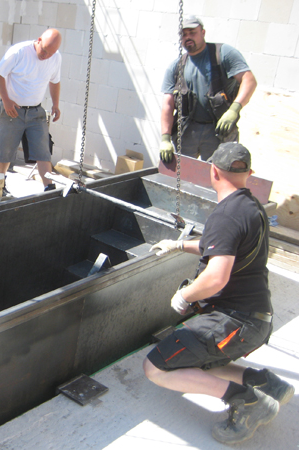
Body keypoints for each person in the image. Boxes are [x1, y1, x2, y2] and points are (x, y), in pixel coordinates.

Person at [144, 142, 294, 444]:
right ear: (248, 173)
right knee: (201, 358)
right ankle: (266, 383)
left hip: (235, 322)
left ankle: (247, 401)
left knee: (156, 367)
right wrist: (177, 244)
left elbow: (216, 277)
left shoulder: (227, 215)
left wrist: (185, 296)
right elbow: (219, 246)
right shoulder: (250, 206)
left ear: (214, 171)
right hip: (256, 319)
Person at [159, 15, 257, 163]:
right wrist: (165, 139)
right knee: (180, 175)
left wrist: (234, 110)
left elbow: (249, 80)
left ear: (203, 33)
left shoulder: (223, 53)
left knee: (217, 175)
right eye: (184, 34)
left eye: (192, 32)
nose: (188, 37)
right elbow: (168, 104)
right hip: (188, 130)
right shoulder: (176, 66)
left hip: (218, 129)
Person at [0, 28, 62, 195]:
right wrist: (6, 100)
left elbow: (55, 81)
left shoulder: (56, 58)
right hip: (12, 110)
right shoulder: (19, 52)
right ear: (38, 40)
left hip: (36, 112)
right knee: (5, 151)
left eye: (50, 54)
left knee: (43, 151)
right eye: (43, 50)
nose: (45, 56)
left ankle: (49, 188)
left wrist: (56, 104)